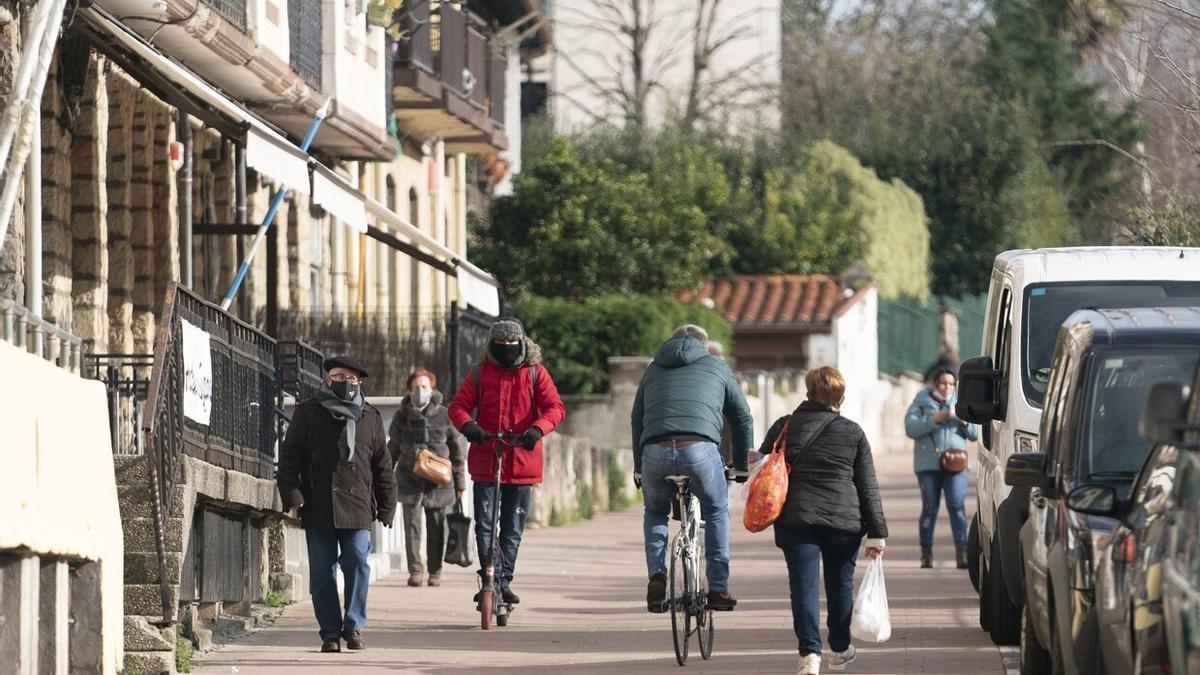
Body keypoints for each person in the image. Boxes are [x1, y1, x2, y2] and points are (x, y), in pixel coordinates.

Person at [759, 366, 888, 675]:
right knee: (840, 586)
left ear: (808, 393)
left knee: (802, 587)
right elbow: (867, 485)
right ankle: (840, 649)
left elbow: (762, 465)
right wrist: (876, 533)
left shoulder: (784, 426)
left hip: (795, 518)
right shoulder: (853, 432)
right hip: (843, 521)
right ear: (840, 397)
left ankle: (809, 655)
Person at [277, 356, 397, 653]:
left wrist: (387, 505)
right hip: (318, 503)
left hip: (357, 505)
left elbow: (382, 465)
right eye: (339, 376)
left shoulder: (369, 417)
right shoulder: (308, 413)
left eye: (351, 378)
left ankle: (354, 626)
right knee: (321, 571)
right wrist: (292, 494)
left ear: (360, 383)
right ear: (327, 379)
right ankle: (330, 632)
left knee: (357, 561)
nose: (345, 382)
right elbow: (289, 458)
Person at [631, 324, 754, 613]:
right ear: (705, 345)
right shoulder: (717, 366)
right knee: (716, 509)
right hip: (698, 449)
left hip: (654, 451)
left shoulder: (652, 369)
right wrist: (740, 466)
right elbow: (742, 417)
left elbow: (636, 420)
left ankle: (657, 576)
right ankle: (718, 589)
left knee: (655, 512)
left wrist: (639, 467)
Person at [448, 317, 565, 606]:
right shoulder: (480, 373)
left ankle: (504, 579)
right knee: (484, 525)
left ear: (523, 345)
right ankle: (490, 577)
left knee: (512, 528)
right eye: (500, 346)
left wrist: (537, 429)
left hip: (523, 461)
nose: (507, 351)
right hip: (487, 459)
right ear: (491, 346)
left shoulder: (535, 373)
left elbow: (555, 408)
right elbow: (458, 406)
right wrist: (469, 426)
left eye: (512, 346)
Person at [387, 368, 466, 588]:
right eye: (416, 387)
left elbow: (457, 451)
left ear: (432, 390)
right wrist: (384, 478)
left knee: (436, 526)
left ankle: (435, 570)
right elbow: (392, 449)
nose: (421, 391)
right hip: (408, 479)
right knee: (411, 526)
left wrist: (460, 482)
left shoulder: (445, 414)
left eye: (425, 387)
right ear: (409, 390)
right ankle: (415, 570)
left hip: (438, 482)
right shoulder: (401, 416)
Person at [905, 366, 978, 569]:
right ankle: (926, 553)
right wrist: (934, 419)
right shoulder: (921, 401)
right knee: (930, 508)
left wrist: (963, 421)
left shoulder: (961, 401)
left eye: (951, 384)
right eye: (943, 383)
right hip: (928, 465)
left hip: (957, 463)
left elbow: (975, 434)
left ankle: (961, 553)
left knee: (957, 506)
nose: (947, 388)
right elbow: (910, 428)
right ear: (935, 385)